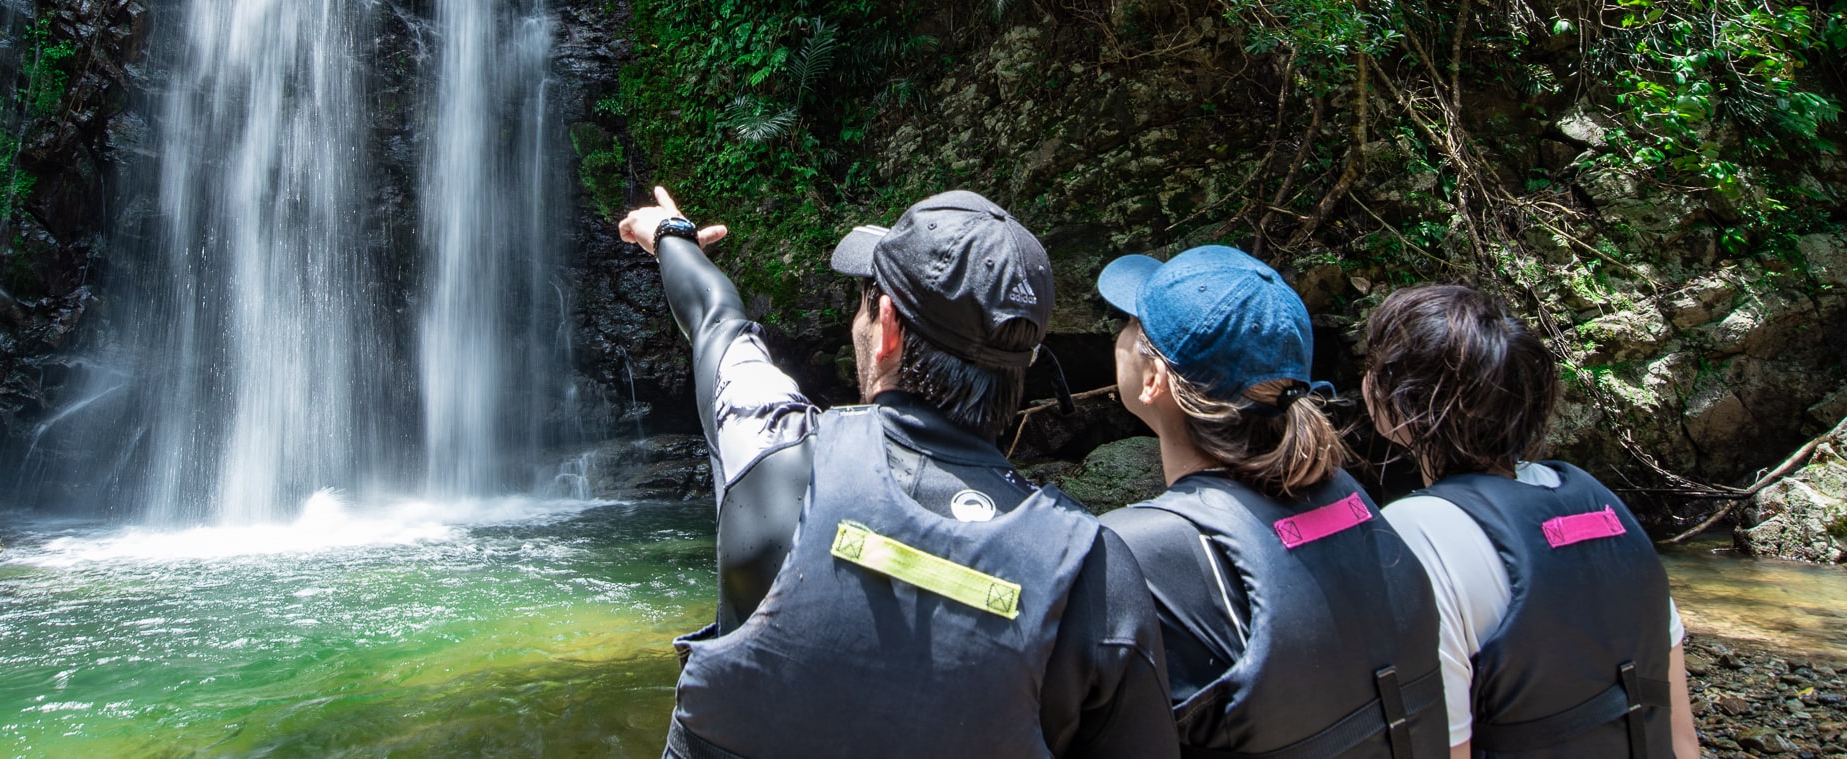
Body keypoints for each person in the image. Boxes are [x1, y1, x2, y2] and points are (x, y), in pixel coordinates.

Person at [617, 185, 1176, 759]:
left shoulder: (775, 449)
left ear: (886, 328)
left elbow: (715, 318)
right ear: (1026, 358)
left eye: (864, 301)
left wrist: (669, 235)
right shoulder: (1097, 572)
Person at [1095, 244, 1451, 759]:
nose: (1119, 335)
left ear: (1155, 380)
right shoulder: (1349, 498)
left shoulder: (1137, 551)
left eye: (1130, 323)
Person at [1360, 284, 1702, 759]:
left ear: (1400, 400)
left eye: (1374, 365)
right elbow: (1681, 737)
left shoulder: (1416, 532)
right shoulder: (1602, 505)